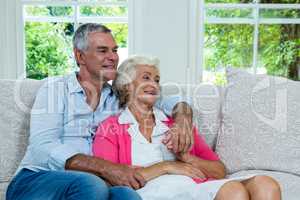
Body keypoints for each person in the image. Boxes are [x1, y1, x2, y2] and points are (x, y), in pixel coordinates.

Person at [6, 23, 194, 200]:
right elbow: (43, 147)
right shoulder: (55, 90)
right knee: (91, 184)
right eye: (102, 50)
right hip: (36, 179)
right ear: (80, 57)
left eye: (114, 50)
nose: (113, 57)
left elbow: (170, 101)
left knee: (126, 194)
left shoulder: (117, 97)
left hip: (94, 184)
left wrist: (183, 119)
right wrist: (107, 168)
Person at [93, 55, 282, 200]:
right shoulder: (110, 128)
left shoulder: (175, 125)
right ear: (126, 86)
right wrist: (167, 166)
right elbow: (111, 181)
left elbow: (218, 170)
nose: (154, 84)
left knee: (265, 184)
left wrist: (186, 158)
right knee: (235, 191)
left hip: (193, 187)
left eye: (157, 80)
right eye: (146, 77)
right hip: (152, 193)